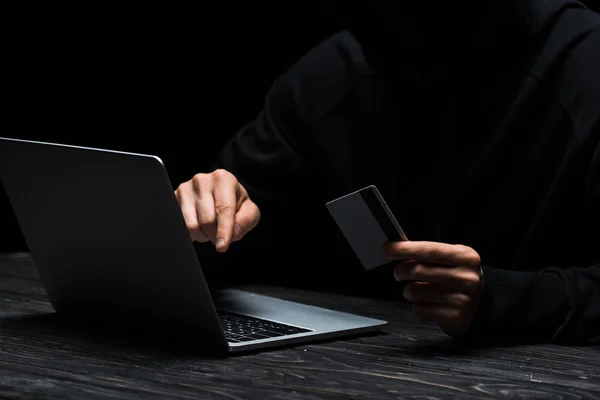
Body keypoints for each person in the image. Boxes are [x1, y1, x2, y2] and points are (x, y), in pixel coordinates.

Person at [175, 0, 599, 345]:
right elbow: (222, 234)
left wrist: (505, 298)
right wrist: (200, 223)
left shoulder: (585, 67)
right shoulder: (329, 78)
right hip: (355, 368)